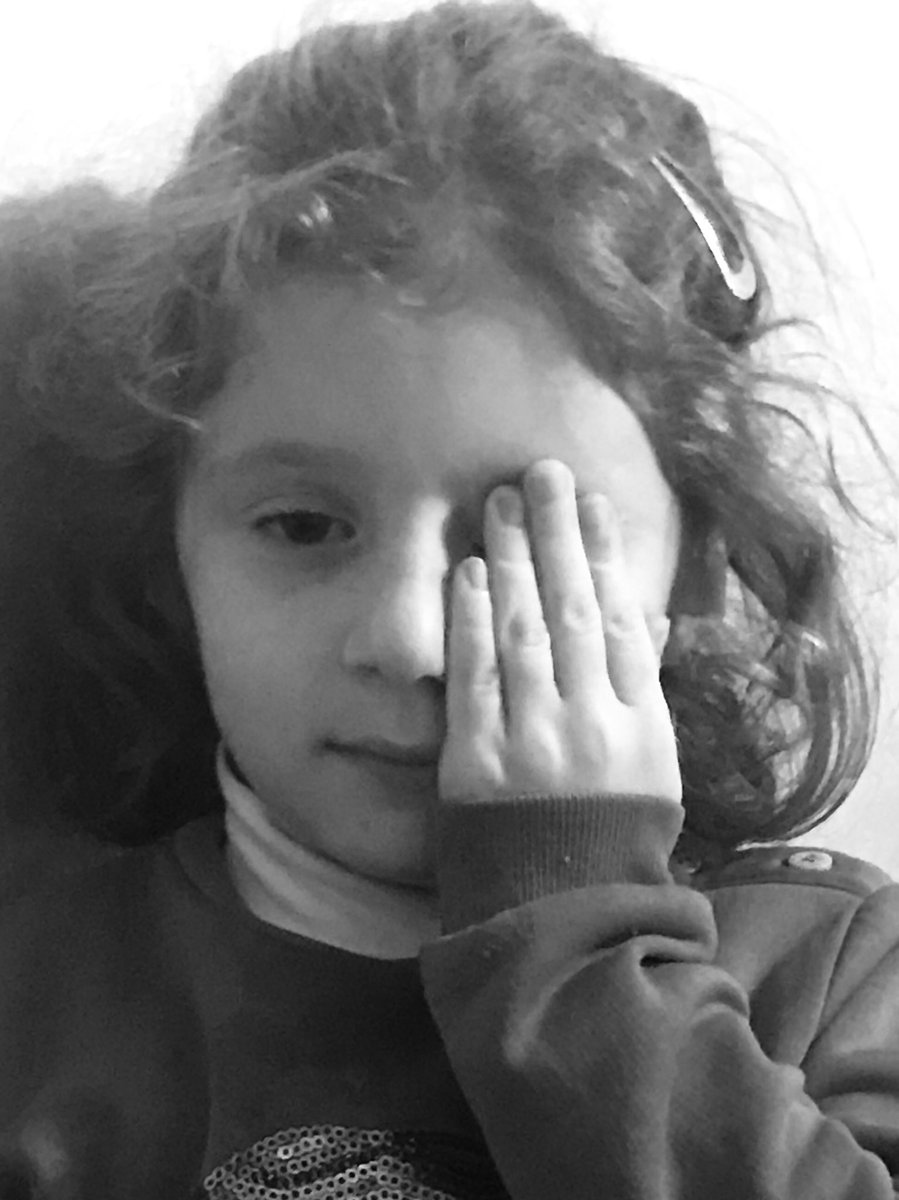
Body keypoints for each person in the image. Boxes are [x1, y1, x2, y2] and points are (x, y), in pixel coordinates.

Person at [0, 1, 897, 1196]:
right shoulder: (39, 971)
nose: (408, 637)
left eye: (514, 536)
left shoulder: (832, 971)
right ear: (171, 545)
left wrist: (576, 924)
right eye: (302, 526)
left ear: (698, 558)